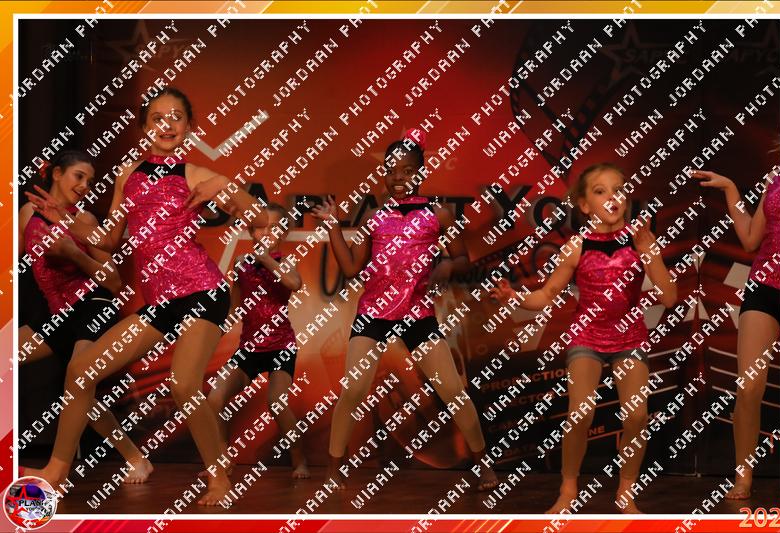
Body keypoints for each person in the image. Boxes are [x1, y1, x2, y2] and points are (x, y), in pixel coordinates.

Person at [24, 87, 270, 506]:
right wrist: (65, 219)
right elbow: (108, 240)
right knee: (81, 370)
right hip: (160, 303)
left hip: (202, 292)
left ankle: (219, 477)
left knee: (184, 384)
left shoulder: (195, 174)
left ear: (189, 126)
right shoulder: (129, 175)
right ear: (143, 127)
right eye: (157, 117)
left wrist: (225, 184)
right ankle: (57, 471)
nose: (167, 124)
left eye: (176, 117)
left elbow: (261, 216)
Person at [311, 129, 499, 491]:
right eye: (391, 171)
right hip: (374, 314)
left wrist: (447, 266)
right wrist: (334, 227)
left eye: (407, 171)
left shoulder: (438, 214)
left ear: (420, 172)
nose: (398, 178)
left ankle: (484, 466)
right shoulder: (375, 217)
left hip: (417, 316)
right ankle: (333, 469)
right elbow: (350, 268)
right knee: (353, 391)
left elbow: (462, 258)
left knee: (452, 392)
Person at [491, 163, 677, 513]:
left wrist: (650, 252)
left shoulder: (639, 240)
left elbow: (669, 298)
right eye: (600, 191)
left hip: (629, 337)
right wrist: (514, 297)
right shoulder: (577, 246)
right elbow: (545, 295)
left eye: (618, 190)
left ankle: (626, 491)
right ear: (585, 205)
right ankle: (568, 489)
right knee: (580, 414)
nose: (612, 197)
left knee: (637, 417)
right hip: (587, 336)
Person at [19, 150, 152, 483]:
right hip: (55, 312)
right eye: (79, 176)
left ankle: (57, 472)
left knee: (79, 383)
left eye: (90, 181)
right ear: (57, 174)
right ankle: (136, 458)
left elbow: (114, 282)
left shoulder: (86, 220)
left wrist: (74, 254)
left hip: (92, 306)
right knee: (81, 395)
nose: (84, 186)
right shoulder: (28, 213)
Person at [691, 167, 780, 499]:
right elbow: (750, 239)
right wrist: (731, 188)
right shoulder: (778, 176)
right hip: (766, 285)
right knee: (749, 387)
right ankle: (743, 477)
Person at [206, 203, 309, 479]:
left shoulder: (284, 261)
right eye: (260, 227)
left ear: (283, 233)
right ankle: (222, 459)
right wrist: (210, 333)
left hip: (280, 347)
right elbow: (234, 308)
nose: (265, 233)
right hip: (249, 348)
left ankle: (299, 460)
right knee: (215, 396)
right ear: (251, 231)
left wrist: (265, 259)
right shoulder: (241, 264)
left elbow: (294, 283)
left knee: (277, 402)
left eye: (273, 228)